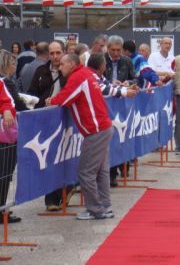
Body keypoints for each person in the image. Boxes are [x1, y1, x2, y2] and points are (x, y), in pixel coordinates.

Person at [46, 54, 114, 220]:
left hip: (95, 130)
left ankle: (96, 210)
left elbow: (65, 98)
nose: (59, 67)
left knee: (86, 172)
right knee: (101, 171)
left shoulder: (78, 76)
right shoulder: (87, 74)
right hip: (102, 127)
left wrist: (50, 100)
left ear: (71, 64)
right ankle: (105, 207)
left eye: (62, 64)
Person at [28, 41, 69, 211]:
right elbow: (32, 94)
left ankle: (65, 190)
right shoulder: (41, 71)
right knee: (50, 158)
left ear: (64, 52)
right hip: (45, 120)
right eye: (52, 53)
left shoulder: (70, 71)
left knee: (65, 158)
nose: (55, 56)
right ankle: (51, 199)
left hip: (66, 119)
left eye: (58, 52)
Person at [0, 49, 29, 223]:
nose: (15, 67)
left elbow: (8, 103)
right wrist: (7, 110)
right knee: (4, 172)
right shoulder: (5, 82)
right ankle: (2, 209)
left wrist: (7, 109)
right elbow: (11, 103)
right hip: (5, 136)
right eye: (13, 64)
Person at [103, 35, 134, 186]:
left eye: (118, 50)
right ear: (107, 49)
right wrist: (110, 83)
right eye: (113, 50)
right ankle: (111, 174)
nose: (116, 53)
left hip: (123, 105)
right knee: (111, 141)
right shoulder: (101, 60)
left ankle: (125, 165)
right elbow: (96, 80)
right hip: (106, 105)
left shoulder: (126, 61)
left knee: (123, 137)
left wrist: (129, 82)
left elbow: (135, 78)